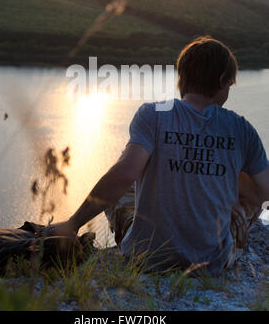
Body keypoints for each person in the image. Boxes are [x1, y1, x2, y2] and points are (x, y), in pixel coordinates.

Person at [47, 36, 269, 276]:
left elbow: (124, 174)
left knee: (125, 175)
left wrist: (73, 224)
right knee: (251, 199)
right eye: (229, 86)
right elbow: (265, 192)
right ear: (222, 80)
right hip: (210, 264)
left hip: (145, 257)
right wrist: (221, 167)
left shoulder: (152, 115)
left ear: (182, 76)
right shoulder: (241, 128)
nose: (228, 92)